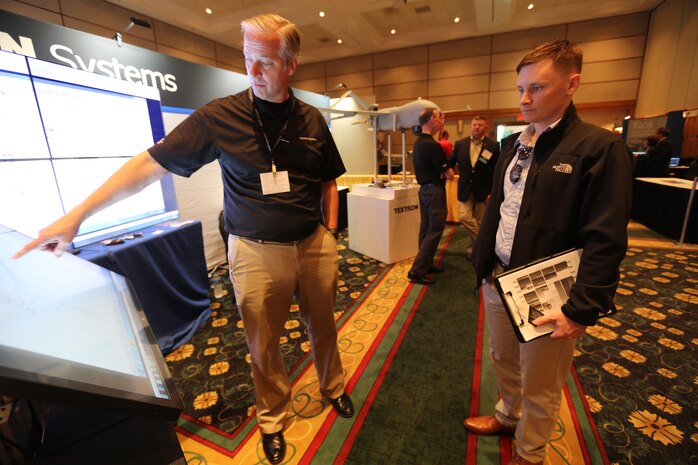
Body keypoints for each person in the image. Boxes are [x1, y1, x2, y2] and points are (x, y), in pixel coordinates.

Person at [13, 13, 354, 465]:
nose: (253, 72)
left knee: (324, 326)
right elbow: (148, 166)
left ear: (291, 64)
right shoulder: (220, 117)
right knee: (263, 344)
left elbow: (329, 178)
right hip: (254, 252)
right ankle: (273, 417)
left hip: (314, 245)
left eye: (265, 62)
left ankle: (334, 387)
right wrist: (76, 216)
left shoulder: (311, 118)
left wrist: (328, 230)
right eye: (247, 59)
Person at [464, 40, 633, 465]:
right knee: (503, 358)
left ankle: (530, 451)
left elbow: (606, 237)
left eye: (537, 88)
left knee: (540, 378)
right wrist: (482, 263)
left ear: (572, 84)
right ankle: (507, 416)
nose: (524, 99)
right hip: (499, 277)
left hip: (548, 288)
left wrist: (582, 308)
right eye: (521, 88)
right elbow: (499, 211)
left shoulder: (599, 148)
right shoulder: (512, 146)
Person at [407, 108, 454, 285]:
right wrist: (443, 173)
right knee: (434, 230)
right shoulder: (433, 146)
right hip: (434, 191)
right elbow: (449, 174)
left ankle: (426, 264)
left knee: (426, 229)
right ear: (431, 119)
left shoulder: (418, 143)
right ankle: (417, 270)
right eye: (438, 117)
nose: (441, 120)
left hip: (424, 191)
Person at [448, 116, 500, 259]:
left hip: (484, 191)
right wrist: (445, 170)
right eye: (474, 124)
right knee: (465, 217)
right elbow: (450, 161)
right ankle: (486, 244)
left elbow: (497, 170)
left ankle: (473, 251)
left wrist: (492, 192)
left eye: (480, 125)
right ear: (471, 126)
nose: (477, 127)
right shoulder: (460, 144)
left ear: (485, 127)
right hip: (465, 189)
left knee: (480, 222)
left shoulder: (493, 146)